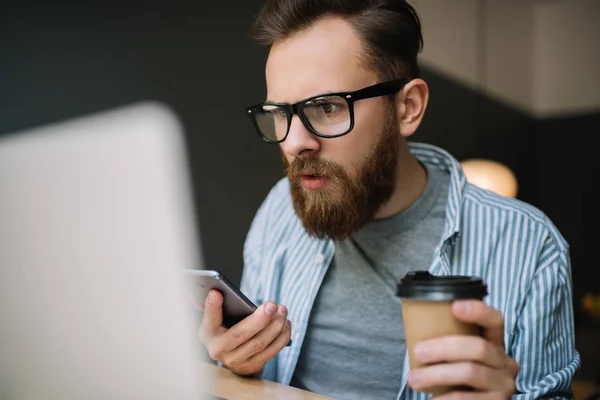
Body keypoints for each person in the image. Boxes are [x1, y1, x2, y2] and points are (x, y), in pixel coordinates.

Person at [198, 0, 580, 398]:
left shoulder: (530, 245)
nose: (294, 143)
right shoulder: (280, 208)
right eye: (279, 112)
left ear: (407, 108)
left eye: (326, 107)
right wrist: (237, 359)